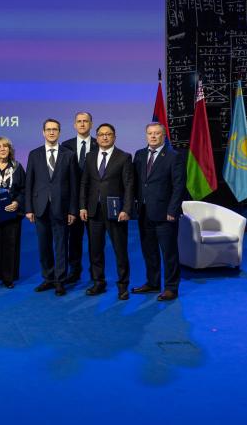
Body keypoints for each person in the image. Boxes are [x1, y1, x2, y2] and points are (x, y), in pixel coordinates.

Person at [79, 123, 134, 300]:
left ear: (114, 137)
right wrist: (82, 206)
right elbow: (84, 183)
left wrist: (126, 209)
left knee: (120, 250)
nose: (104, 137)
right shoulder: (90, 156)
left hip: (115, 212)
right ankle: (99, 283)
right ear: (97, 137)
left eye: (108, 134)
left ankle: (123, 286)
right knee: (95, 250)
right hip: (93, 211)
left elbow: (129, 185)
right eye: (101, 134)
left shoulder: (124, 157)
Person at [132, 122, 185, 301]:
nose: (153, 136)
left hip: (165, 214)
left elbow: (179, 186)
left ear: (164, 135)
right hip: (144, 212)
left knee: (169, 252)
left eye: (157, 133)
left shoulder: (174, 156)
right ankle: (152, 283)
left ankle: (171, 287)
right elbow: (137, 183)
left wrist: (173, 210)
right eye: (150, 133)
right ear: (146, 135)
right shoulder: (139, 155)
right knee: (149, 251)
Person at [25, 119, 78, 296]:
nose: (51, 132)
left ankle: (60, 281)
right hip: (40, 207)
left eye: (55, 129)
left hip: (61, 208)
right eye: (48, 129)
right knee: (44, 245)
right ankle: (48, 278)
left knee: (61, 245)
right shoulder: (34, 154)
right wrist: (29, 208)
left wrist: (72, 210)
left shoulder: (68, 154)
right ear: (43, 132)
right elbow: (29, 183)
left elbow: (73, 185)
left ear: (59, 132)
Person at [61, 111, 98, 284]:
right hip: (73, 201)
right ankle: (74, 272)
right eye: (79, 121)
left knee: (95, 240)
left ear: (91, 124)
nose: (82, 124)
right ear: (74, 125)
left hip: (94, 200)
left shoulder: (99, 144)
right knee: (74, 239)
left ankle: (95, 273)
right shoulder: (66, 145)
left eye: (85, 121)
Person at [0, 136, 25, 289]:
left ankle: (8, 278)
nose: (2, 149)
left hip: (12, 213)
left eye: (5, 146)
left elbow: (24, 189)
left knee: (10, 245)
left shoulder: (17, 167)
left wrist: (17, 203)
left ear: (10, 149)